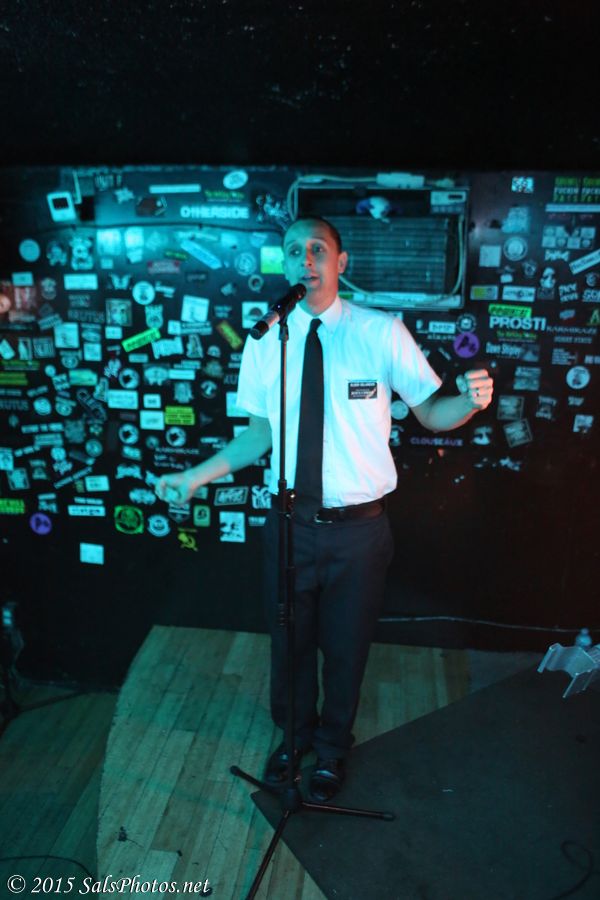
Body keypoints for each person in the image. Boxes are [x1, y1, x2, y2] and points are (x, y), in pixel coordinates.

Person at [155, 216, 493, 803]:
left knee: (346, 644)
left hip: (358, 531)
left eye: (317, 249)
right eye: (294, 251)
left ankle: (333, 747)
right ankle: (294, 738)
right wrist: (193, 477)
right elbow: (257, 436)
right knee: (288, 641)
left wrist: (468, 402)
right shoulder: (266, 338)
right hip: (289, 526)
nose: (305, 259)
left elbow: (432, 413)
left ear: (341, 263)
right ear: (285, 264)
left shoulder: (381, 332)